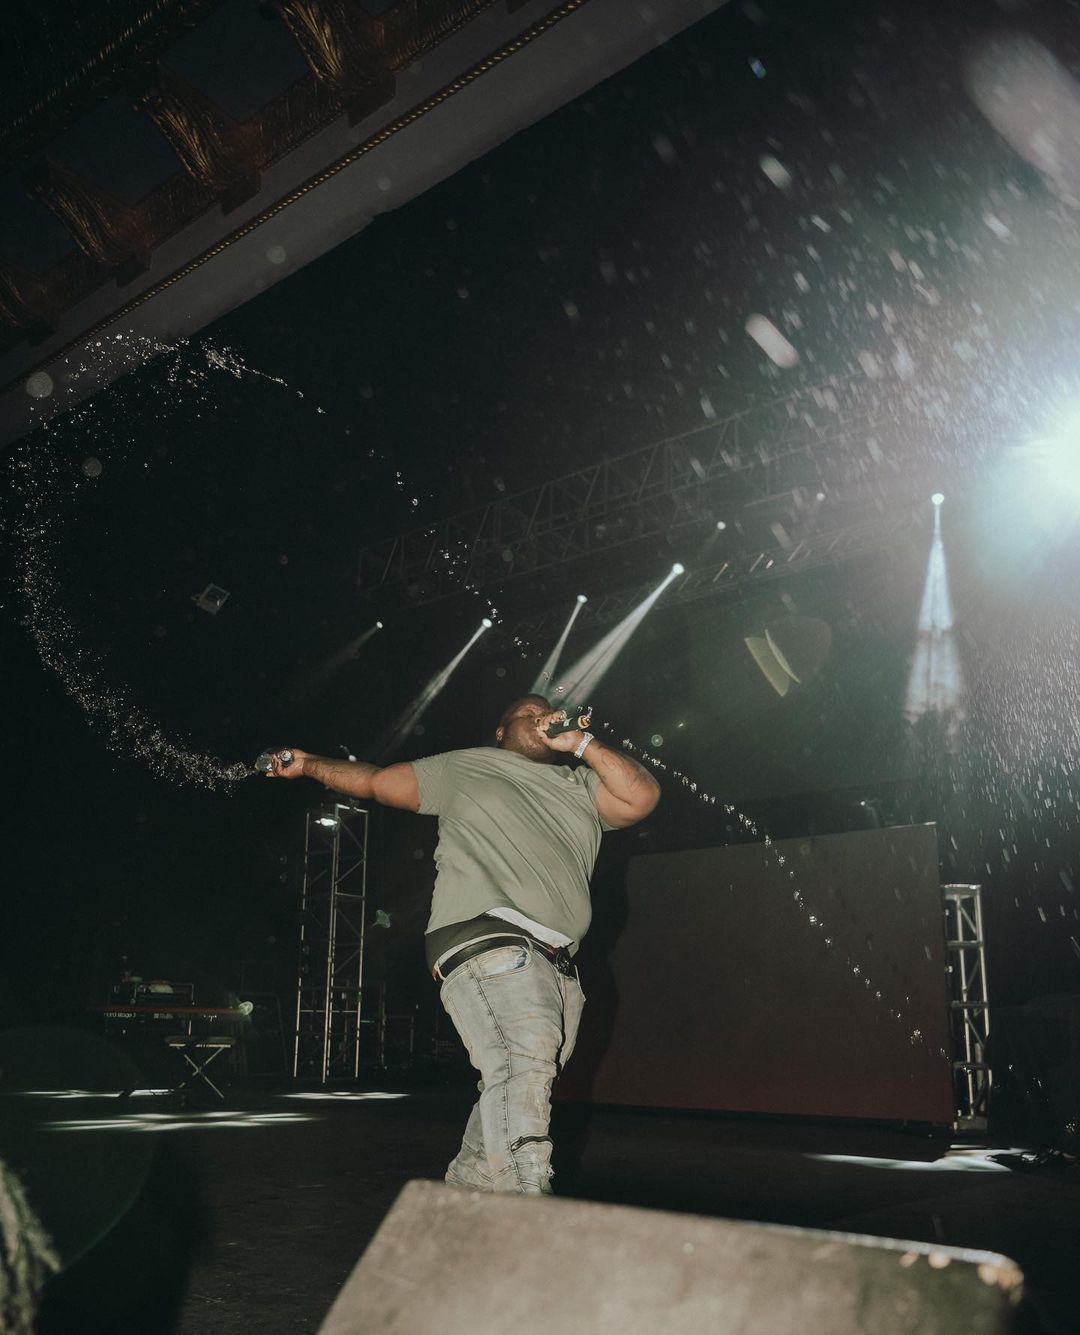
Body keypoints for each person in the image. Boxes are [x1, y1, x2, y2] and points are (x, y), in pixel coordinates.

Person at [267, 694, 660, 1193]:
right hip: (490, 937)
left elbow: (641, 797)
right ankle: (525, 1205)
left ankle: (464, 1198)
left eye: (545, 712)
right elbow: (375, 782)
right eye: (526, 713)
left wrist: (583, 744)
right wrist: (307, 764)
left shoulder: (581, 785)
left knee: (521, 1080)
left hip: (558, 964)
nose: (539, 717)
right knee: (523, 1066)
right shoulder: (466, 767)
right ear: (500, 731)